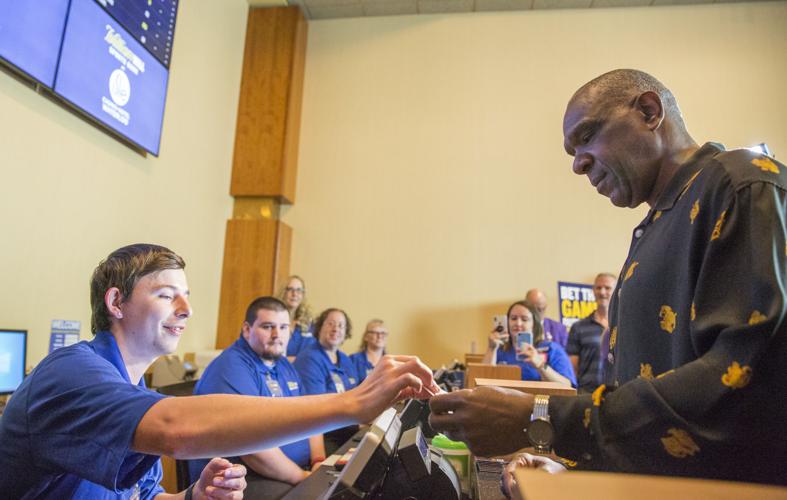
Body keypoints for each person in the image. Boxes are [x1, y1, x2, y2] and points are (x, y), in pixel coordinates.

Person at [430, 69, 787, 486]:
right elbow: (647, 409)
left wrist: (542, 417)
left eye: (585, 137)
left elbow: (741, 383)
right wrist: (576, 467)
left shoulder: (741, 184)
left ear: (649, 112)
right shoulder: (654, 227)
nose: (579, 164)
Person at [0, 244, 438, 498]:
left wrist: (194, 495)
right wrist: (353, 402)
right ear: (116, 303)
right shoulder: (70, 372)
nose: (187, 309)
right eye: (168, 295)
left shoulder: (130, 390)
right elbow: (176, 427)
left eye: (186, 296)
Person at [188, 296, 325, 487]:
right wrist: (303, 478)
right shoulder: (232, 366)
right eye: (268, 327)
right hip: (244, 481)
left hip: (295, 472)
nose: (277, 334)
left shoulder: (283, 364)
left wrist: (319, 461)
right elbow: (252, 448)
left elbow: (311, 415)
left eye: (284, 327)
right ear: (246, 329)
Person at [294, 308, 362, 453]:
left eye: (341, 325)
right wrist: (357, 424)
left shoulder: (345, 359)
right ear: (319, 328)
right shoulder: (309, 359)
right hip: (322, 437)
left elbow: (355, 397)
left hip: (347, 431)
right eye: (330, 323)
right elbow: (318, 409)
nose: (335, 329)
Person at [483, 301, 575, 387]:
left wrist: (540, 365)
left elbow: (567, 385)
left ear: (534, 324)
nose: (518, 323)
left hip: (539, 402)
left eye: (524, 319)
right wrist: (491, 349)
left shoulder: (552, 349)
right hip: (504, 401)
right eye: (513, 318)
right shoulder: (500, 350)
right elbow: (482, 383)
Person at [565, 273, 616, 394]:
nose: (602, 292)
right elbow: (572, 369)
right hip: (586, 394)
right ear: (593, 291)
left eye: (607, 288)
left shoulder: (623, 326)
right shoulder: (578, 327)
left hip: (618, 393)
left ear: (616, 291)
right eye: (598, 288)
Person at [276, 275, 316, 358]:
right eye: (290, 289)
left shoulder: (309, 323)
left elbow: (313, 354)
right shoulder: (272, 318)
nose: (294, 294)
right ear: (283, 292)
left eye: (299, 290)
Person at [349, 319, 389, 383]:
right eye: (375, 332)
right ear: (366, 336)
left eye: (383, 333)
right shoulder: (353, 360)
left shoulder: (390, 362)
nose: (380, 336)